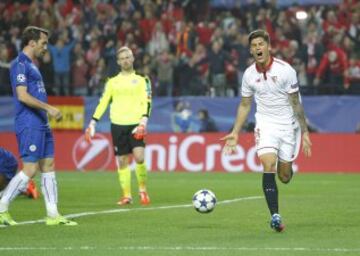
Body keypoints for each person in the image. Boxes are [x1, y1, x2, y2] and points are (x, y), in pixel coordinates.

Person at [221, 30, 312, 232]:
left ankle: (286, 163)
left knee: (285, 177)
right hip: (265, 123)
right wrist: (235, 131)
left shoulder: (286, 70)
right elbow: (245, 105)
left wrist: (305, 132)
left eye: (261, 44)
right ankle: (275, 216)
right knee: (268, 163)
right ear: (250, 50)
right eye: (254, 46)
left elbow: (296, 103)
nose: (257, 48)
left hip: (288, 125)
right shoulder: (249, 75)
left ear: (268, 46)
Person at [0, 26, 77, 226]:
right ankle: (1, 208)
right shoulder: (20, 64)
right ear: (32, 42)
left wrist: (46, 112)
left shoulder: (33, 66)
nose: (46, 47)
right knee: (30, 168)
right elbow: (22, 95)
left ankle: (53, 215)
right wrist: (49, 108)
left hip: (41, 121)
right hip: (29, 121)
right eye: (43, 43)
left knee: (48, 165)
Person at [85, 46, 152, 206]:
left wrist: (144, 121)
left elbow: (147, 100)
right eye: (122, 58)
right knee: (122, 160)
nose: (125, 60)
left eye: (128, 57)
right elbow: (103, 102)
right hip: (117, 124)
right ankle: (127, 196)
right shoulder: (112, 82)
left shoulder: (143, 79)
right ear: (118, 62)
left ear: (133, 58)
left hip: (136, 123)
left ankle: (143, 190)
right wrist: (93, 122)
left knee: (139, 157)